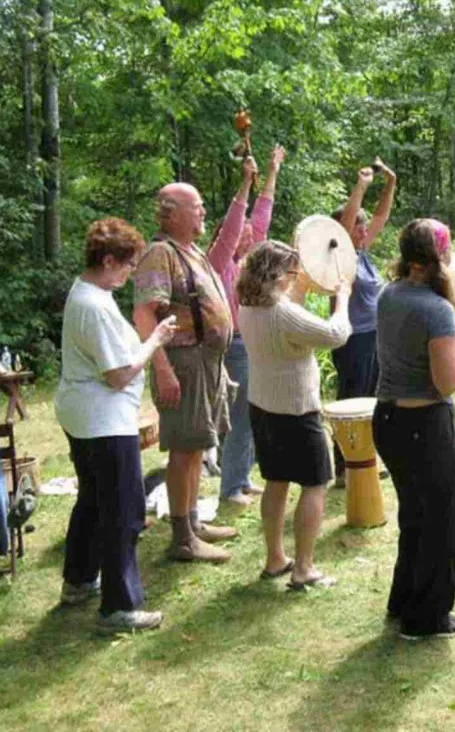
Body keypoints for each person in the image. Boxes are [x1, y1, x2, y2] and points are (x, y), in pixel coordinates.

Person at [56, 218, 178, 631]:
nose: (130, 275)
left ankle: (77, 580)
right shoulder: (92, 304)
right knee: (124, 511)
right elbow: (119, 374)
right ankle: (118, 607)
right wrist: (156, 340)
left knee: (92, 499)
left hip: (86, 416)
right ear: (107, 261)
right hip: (103, 422)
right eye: (127, 266)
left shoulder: (88, 291)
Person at [373, 218, 455, 640]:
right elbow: (446, 382)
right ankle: (426, 619)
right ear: (441, 256)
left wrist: (451, 342)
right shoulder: (436, 308)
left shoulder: (388, 293)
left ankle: (403, 602)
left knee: (415, 516)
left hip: (390, 422)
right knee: (447, 521)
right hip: (424, 425)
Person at [133, 179, 238, 563]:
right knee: (184, 448)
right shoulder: (159, 253)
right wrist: (162, 370)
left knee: (196, 446)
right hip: (182, 362)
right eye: (196, 207)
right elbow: (144, 314)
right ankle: (182, 539)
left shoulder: (189, 250)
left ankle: (193, 522)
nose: (203, 212)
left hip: (206, 361)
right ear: (171, 212)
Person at [237, 241, 351, 589]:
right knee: (315, 484)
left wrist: (298, 287)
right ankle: (304, 568)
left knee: (276, 481)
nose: (295, 277)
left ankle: (275, 559)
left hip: (263, 406)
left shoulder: (249, 306)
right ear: (274, 275)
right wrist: (342, 298)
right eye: (291, 272)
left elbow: (289, 321)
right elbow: (336, 335)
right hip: (296, 410)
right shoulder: (281, 313)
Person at [208, 146, 285, 507]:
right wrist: (245, 183)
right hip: (234, 344)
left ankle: (241, 475)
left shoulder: (246, 260)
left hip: (250, 341)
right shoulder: (218, 262)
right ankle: (230, 486)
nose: (248, 235)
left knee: (254, 411)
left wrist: (271, 172)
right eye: (240, 232)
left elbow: (261, 219)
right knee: (240, 416)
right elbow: (238, 223)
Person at [330, 159, 396, 486]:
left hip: (373, 336)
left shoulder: (363, 250)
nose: (364, 228)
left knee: (371, 398)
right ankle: (343, 465)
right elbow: (343, 228)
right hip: (352, 339)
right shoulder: (339, 254)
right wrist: (361, 187)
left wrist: (390, 183)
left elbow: (381, 217)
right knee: (350, 398)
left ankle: (364, 456)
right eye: (359, 225)